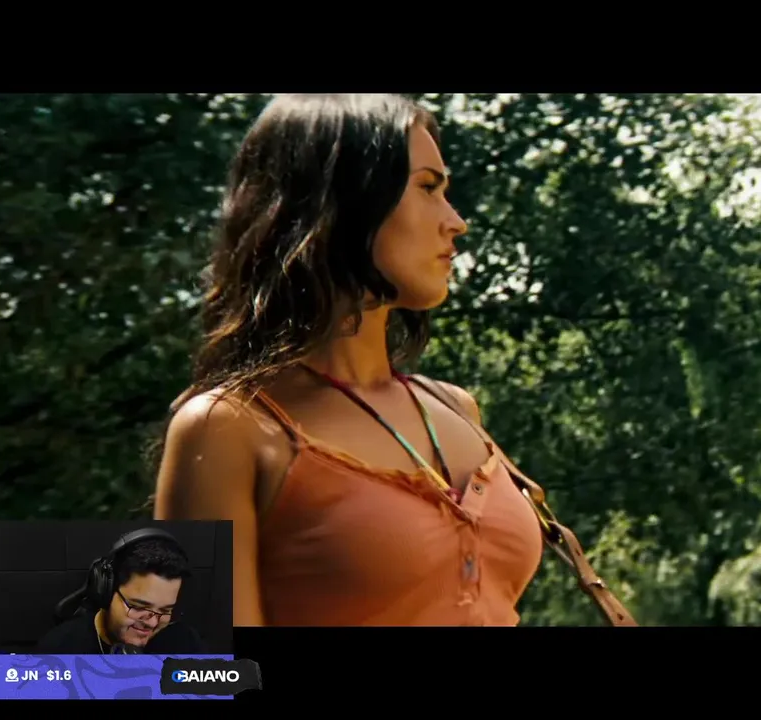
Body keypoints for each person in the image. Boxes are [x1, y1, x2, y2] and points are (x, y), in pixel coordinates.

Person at [151, 94, 634, 627]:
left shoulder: (455, 409)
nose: (456, 222)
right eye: (428, 187)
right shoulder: (229, 429)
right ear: (340, 201)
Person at [37, 528, 206, 654]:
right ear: (107, 592)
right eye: (138, 607)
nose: (152, 623)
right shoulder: (59, 649)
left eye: (165, 610)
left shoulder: (186, 643)